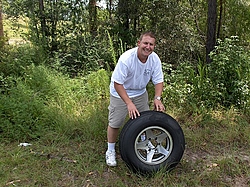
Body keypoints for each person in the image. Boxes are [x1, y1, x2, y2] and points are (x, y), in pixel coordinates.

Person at [106, 31, 165, 166]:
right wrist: (128, 103)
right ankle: (110, 151)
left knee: (143, 121)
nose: (148, 47)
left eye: (151, 44)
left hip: (140, 92)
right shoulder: (127, 59)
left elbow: (158, 80)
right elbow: (117, 83)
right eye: (145, 43)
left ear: (154, 46)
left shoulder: (154, 59)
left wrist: (157, 98)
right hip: (120, 92)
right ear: (139, 43)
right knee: (115, 123)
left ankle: (142, 144)